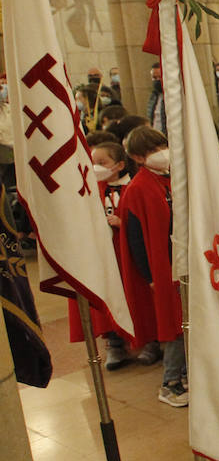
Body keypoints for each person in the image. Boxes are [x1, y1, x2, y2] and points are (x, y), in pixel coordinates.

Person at [118, 127, 186, 407]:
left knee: (185, 323)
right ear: (137, 157)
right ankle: (169, 382)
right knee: (175, 326)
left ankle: (184, 374)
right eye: (152, 150)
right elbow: (135, 237)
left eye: (162, 146)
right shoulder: (137, 189)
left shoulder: (168, 180)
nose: (161, 153)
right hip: (161, 269)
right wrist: (149, 275)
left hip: (178, 262)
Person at [69, 140, 134, 370]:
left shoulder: (131, 188)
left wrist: (122, 222)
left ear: (119, 165)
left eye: (101, 163)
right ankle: (114, 343)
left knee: (132, 294)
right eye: (93, 162)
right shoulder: (92, 190)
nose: (96, 167)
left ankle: (148, 340)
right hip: (106, 256)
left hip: (127, 253)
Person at [146, 62, 167, 132]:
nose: (157, 80)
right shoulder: (153, 96)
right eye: (154, 78)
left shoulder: (172, 96)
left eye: (160, 77)